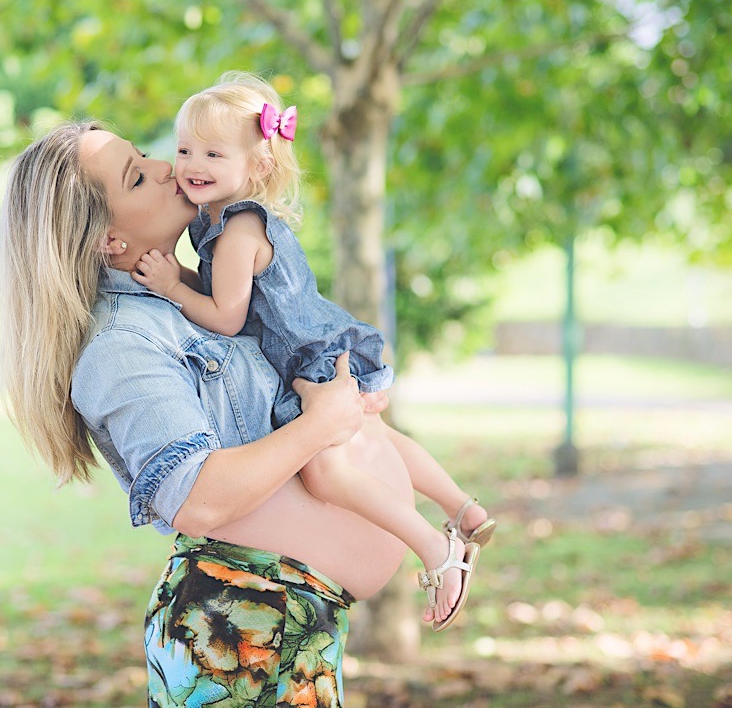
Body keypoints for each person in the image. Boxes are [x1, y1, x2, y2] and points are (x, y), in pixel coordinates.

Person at [0, 119, 416, 707]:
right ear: (106, 239)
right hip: (236, 636)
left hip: (286, 625)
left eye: (145, 154)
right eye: (137, 176)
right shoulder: (122, 346)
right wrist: (320, 425)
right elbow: (196, 497)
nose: (168, 167)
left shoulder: (199, 300)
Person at [131, 72, 497, 632]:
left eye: (212, 152)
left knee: (327, 474)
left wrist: (171, 287)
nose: (191, 164)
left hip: (310, 363)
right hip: (325, 344)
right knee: (383, 438)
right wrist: (178, 273)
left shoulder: (234, 233)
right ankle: (463, 509)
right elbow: (227, 296)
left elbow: (225, 317)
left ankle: (435, 548)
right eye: (183, 149)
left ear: (257, 165)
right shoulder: (232, 222)